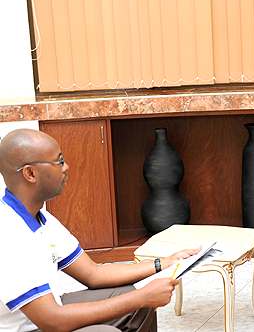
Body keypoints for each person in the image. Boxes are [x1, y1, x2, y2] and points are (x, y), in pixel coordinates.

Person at [0, 128, 201, 332]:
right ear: (30, 173)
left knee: (137, 296)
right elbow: (53, 321)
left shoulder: (41, 219)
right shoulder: (8, 235)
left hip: (47, 316)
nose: (66, 167)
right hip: (38, 325)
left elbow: (94, 274)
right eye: (59, 161)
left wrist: (164, 263)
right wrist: (140, 298)